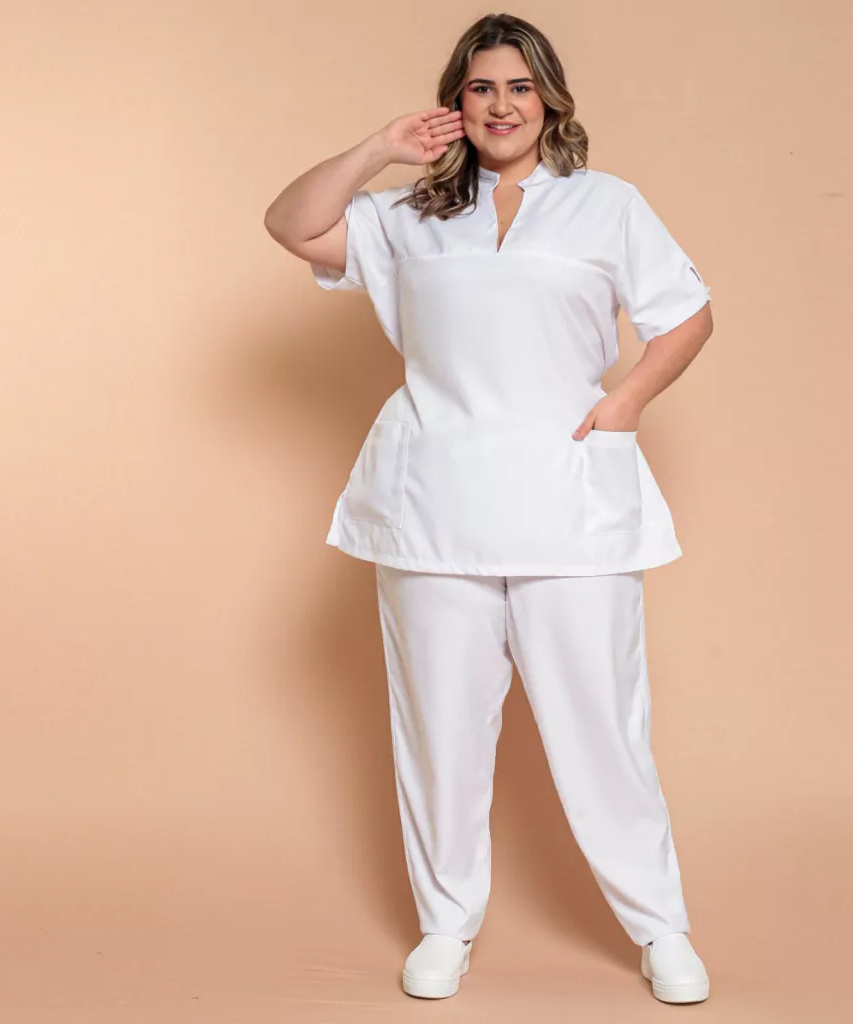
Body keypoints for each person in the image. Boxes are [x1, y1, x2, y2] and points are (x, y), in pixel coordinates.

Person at [264, 12, 714, 1006]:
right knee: (439, 732)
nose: (500, 104)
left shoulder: (605, 205)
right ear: (454, 104)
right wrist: (379, 149)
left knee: (602, 730)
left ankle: (660, 927)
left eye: (518, 85)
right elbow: (291, 223)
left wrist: (625, 403)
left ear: (549, 98)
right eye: (480, 87)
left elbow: (688, 315)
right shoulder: (406, 215)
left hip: (570, 501)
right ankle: (446, 924)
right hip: (433, 503)